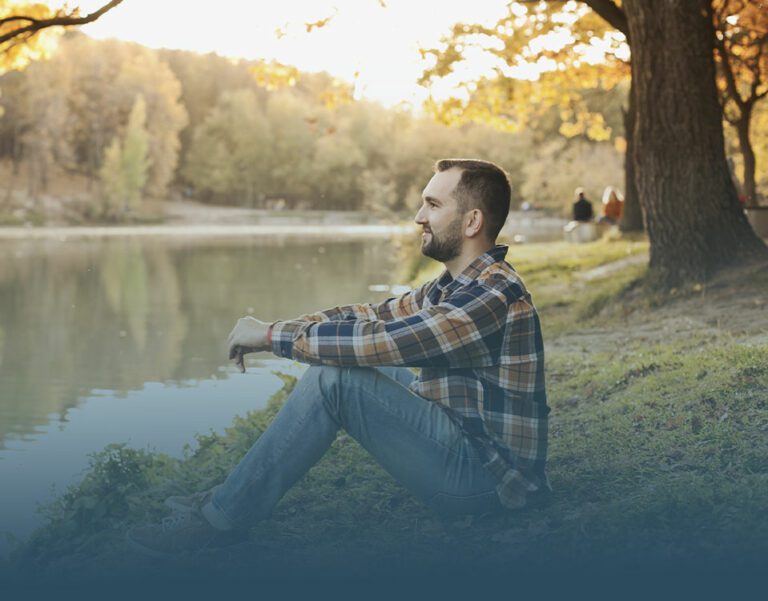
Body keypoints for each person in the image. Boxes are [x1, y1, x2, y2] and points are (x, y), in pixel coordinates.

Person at [126, 159, 550, 558]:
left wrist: (275, 338)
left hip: (489, 482)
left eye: (433, 204)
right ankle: (226, 499)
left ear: (473, 221)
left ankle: (219, 520)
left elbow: (382, 342)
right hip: (463, 441)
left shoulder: (491, 294)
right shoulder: (450, 286)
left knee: (338, 379)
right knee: (344, 362)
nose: (419, 216)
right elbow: (371, 316)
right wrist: (276, 327)